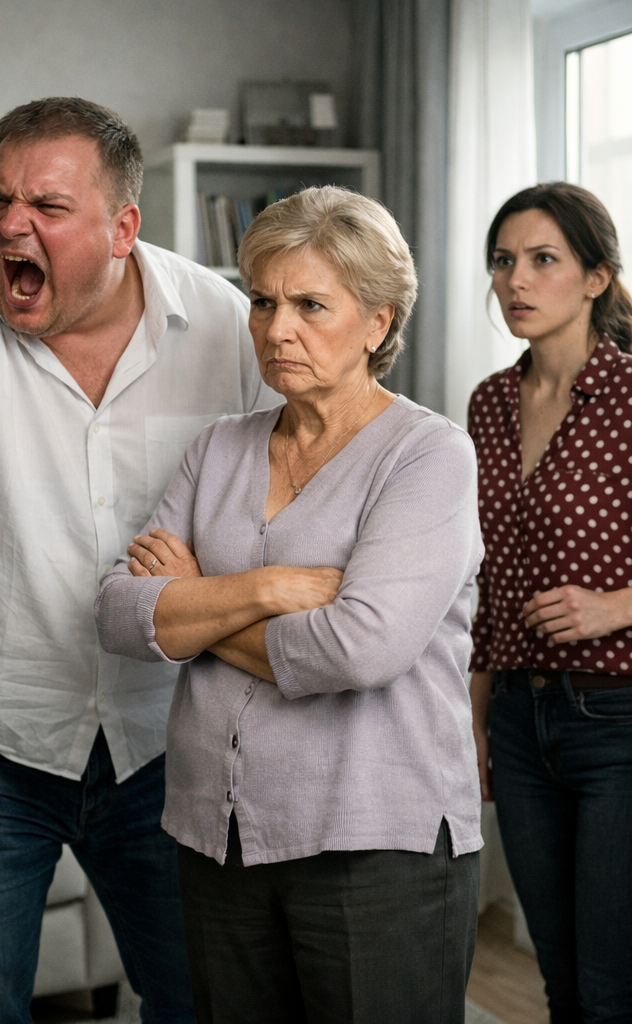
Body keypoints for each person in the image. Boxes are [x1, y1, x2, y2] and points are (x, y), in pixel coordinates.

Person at [0, 96, 276, 1023]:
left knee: (205, 999)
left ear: (123, 229)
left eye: (46, 205)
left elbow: (288, 482)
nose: (10, 225)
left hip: (165, 735)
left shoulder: (223, 323)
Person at [95, 185, 485, 1024]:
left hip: (376, 841)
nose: (277, 330)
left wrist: (195, 605)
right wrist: (261, 590)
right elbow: (120, 613)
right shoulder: (217, 448)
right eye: (263, 302)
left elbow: (358, 649)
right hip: (218, 836)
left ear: (378, 321)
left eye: (311, 305)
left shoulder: (429, 457)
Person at [468, 182, 632, 1023]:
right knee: (560, 984)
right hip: (516, 722)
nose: (516, 281)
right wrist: (475, 723)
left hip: (617, 719)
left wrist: (617, 606)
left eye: (543, 260)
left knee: (609, 989)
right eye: (503, 262)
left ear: (597, 278)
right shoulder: (489, 404)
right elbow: (484, 581)